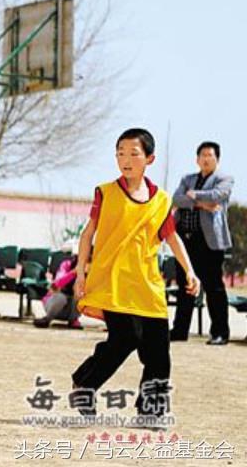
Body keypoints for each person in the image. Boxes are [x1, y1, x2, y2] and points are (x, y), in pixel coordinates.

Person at [71, 128, 200, 427]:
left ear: (149, 159)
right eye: (120, 153)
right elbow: (88, 233)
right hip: (113, 280)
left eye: (133, 153)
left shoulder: (162, 200)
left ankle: (151, 412)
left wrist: (190, 271)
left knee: (158, 351)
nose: (125, 160)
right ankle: (85, 383)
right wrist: (80, 272)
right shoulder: (105, 192)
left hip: (147, 284)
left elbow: (172, 238)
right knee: (124, 338)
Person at [169, 141, 234, 345]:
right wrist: (201, 204)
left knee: (213, 287)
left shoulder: (224, 179)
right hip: (185, 238)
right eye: (202, 155)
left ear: (217, 159)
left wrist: (193, 196)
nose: (206, 159)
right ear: (197, 159)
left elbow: (216, 196)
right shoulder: (187, 179)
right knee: (185, 285)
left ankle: (220, 332)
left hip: (209, 241)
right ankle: (180, 330)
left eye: (210, 155)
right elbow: (176, 199)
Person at [33, 254, 82, 329]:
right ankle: (47, 319)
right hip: (54, 306)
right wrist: (74, 273)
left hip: (72, 310)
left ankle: (74, 320)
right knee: (60, 297)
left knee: (79, 295)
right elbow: (57, 282)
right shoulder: (66, 264)